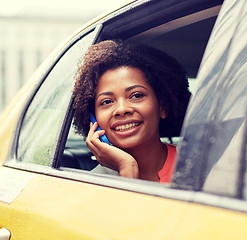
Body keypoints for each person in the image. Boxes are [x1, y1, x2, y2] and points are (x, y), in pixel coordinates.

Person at [72, 40, 191, 183]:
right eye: (107, 101)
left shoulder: (197, 165)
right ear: (93, 119)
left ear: (162, 107)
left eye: (136, 95)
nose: (121, 109)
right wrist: (127, 167)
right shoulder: (90, 184)